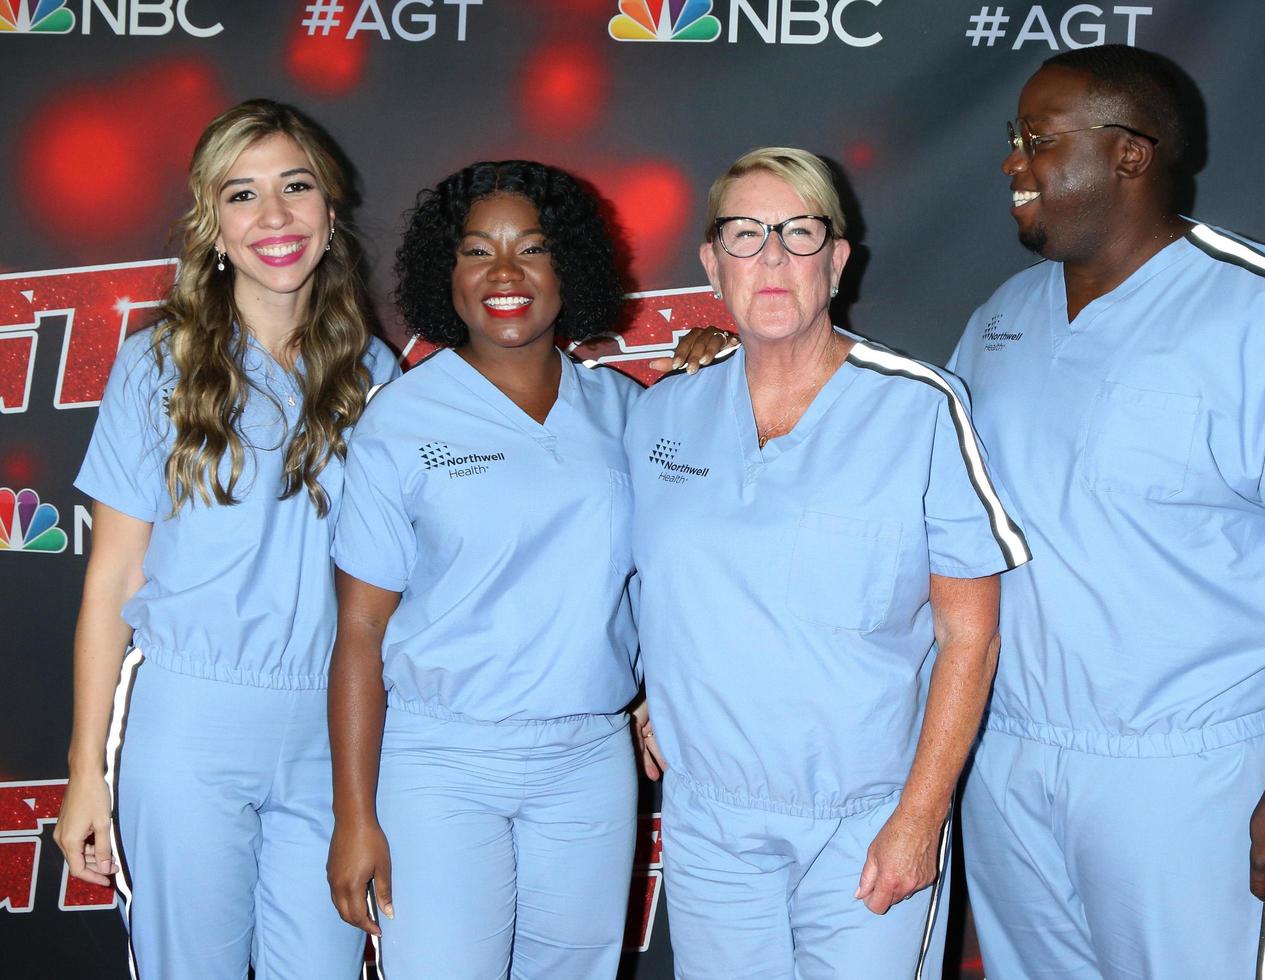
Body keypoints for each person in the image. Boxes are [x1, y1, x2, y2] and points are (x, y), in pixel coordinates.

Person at [946, 45, 1265, 980]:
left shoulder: (1263, 306)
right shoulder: (1001, 317)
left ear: (1131, 154)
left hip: (1187, 770)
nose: (1013, 163)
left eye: (1038, 141)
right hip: (1011, 758)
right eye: (1015, 141)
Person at [626, 147, 1030, 980]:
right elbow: (642, 580)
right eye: (744, 234)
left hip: (866, 821)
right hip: (710, 822)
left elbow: (971, 636)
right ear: (711, 263)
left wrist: (921, 815)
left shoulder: (920, 406)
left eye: (798, 232)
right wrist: (641, 689)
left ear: (837, 260)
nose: (771, 257)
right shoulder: (663, 412)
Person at [325, 160, 723, 979]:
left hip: (588, 761)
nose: (504, 274)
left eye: (531, 249)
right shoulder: (399, 420)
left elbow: (693, 549)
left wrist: (720, 369)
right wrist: (354, 815)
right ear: (449, 274)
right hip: (441, 761)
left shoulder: (627, 410)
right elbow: (360, 632)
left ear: (565, 269)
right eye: (478, 251)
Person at [53, 100, 399, 978]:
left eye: (296, 187)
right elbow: (112, 581)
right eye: (242, 195)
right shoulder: (154, 363)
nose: (274, 217)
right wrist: (85, 770)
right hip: (189, 724)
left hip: (335, 729)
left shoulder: (376, 374)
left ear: (329, 213)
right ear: (213, 225)